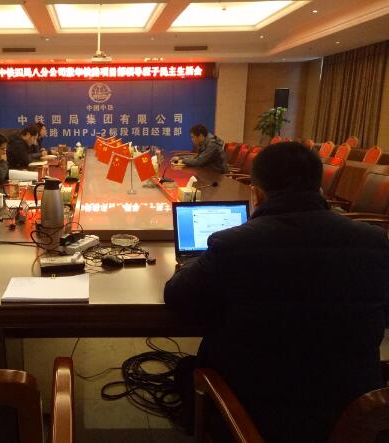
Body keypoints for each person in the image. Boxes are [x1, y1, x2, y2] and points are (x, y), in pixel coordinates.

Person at [164, 142, 389, 442]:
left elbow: (177, 297)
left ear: (257, 193)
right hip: (352, 414)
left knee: (186, 370)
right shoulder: (374, 241)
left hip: (253, 413)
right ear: (320, 187)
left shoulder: (233, 244)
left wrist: (194, 266)